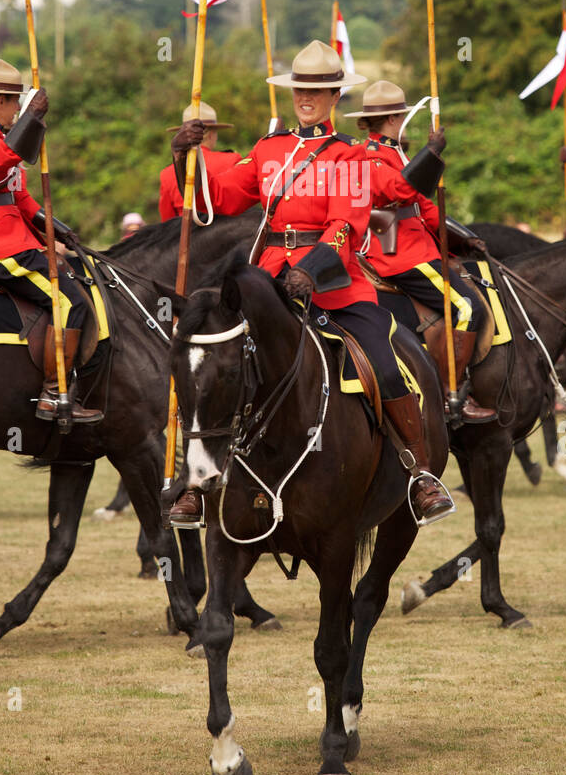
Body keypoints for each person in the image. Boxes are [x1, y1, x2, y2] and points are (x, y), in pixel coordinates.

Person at [165, 41, 454, 529]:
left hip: (334, 283)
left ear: (335, 95)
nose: (307, 97)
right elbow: (217, 201)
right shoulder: (267, 149)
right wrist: (183, 156)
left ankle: (420, 474)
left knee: (384, 359)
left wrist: (314, 270)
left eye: (318, 90)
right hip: (269, 279)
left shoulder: (351, 156)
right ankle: (195, 482)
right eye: (301, 88)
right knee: (211, 360)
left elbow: (346, 224)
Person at [0, 58, 102, 424]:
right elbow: (5, 159)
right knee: (69, 303)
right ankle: (54, 394)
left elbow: (20, 197)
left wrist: (58, 228)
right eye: (16, 103)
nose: (17, 109)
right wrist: (32, 118)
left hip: (17, 240)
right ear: (1, 102)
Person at [350, 80, 495, 423]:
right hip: (401, 255)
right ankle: (453, 394)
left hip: (420, 246)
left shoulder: (394, 154)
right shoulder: (368, 157)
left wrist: (461, 237)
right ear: (394, 119)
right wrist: (430, 154)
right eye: (401, 116)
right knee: (467, 307)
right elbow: (402, 187)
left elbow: (421, 207)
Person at [158, 102, 240, 221]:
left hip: (186, 236)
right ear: (211, 134)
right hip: (224, 234)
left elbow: (167, 222)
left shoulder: (166, 174)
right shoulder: (232, 160)